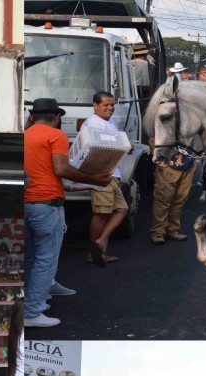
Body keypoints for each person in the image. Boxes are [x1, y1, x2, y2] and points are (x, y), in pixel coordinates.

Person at [23, 98, 111, 328]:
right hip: (48, 205)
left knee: (30, 259)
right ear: (57, 117)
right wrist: (95, 179)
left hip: (26, 203)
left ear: (31, 116)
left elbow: (41, 172)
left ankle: (29, 304)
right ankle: (31, 311)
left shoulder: (24, 135)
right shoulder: (56, 135)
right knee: (46, 260)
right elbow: (61, 169)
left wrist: (81, 185)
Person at [149, 63, 197, 245]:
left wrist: (194, 161)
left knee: (179, 200)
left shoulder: (189, 114)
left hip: (187, 163)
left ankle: (172, 230)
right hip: (168, 163)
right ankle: (158, 232)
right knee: (163, 199)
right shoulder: (163, 110)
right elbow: (152, 137)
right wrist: (157, 157)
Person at [81, 91, 128, 265]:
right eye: (105, 105)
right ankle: (93, 252)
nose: (110, 108)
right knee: (101, 213)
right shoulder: (94, 123)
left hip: (112, 174)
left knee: (121, 209)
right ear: (95, 105)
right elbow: (96, 148)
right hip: (102, 174)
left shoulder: (109, 122)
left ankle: (101, 241)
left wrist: (125, 147)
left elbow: (113, 144)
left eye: (112, 105)